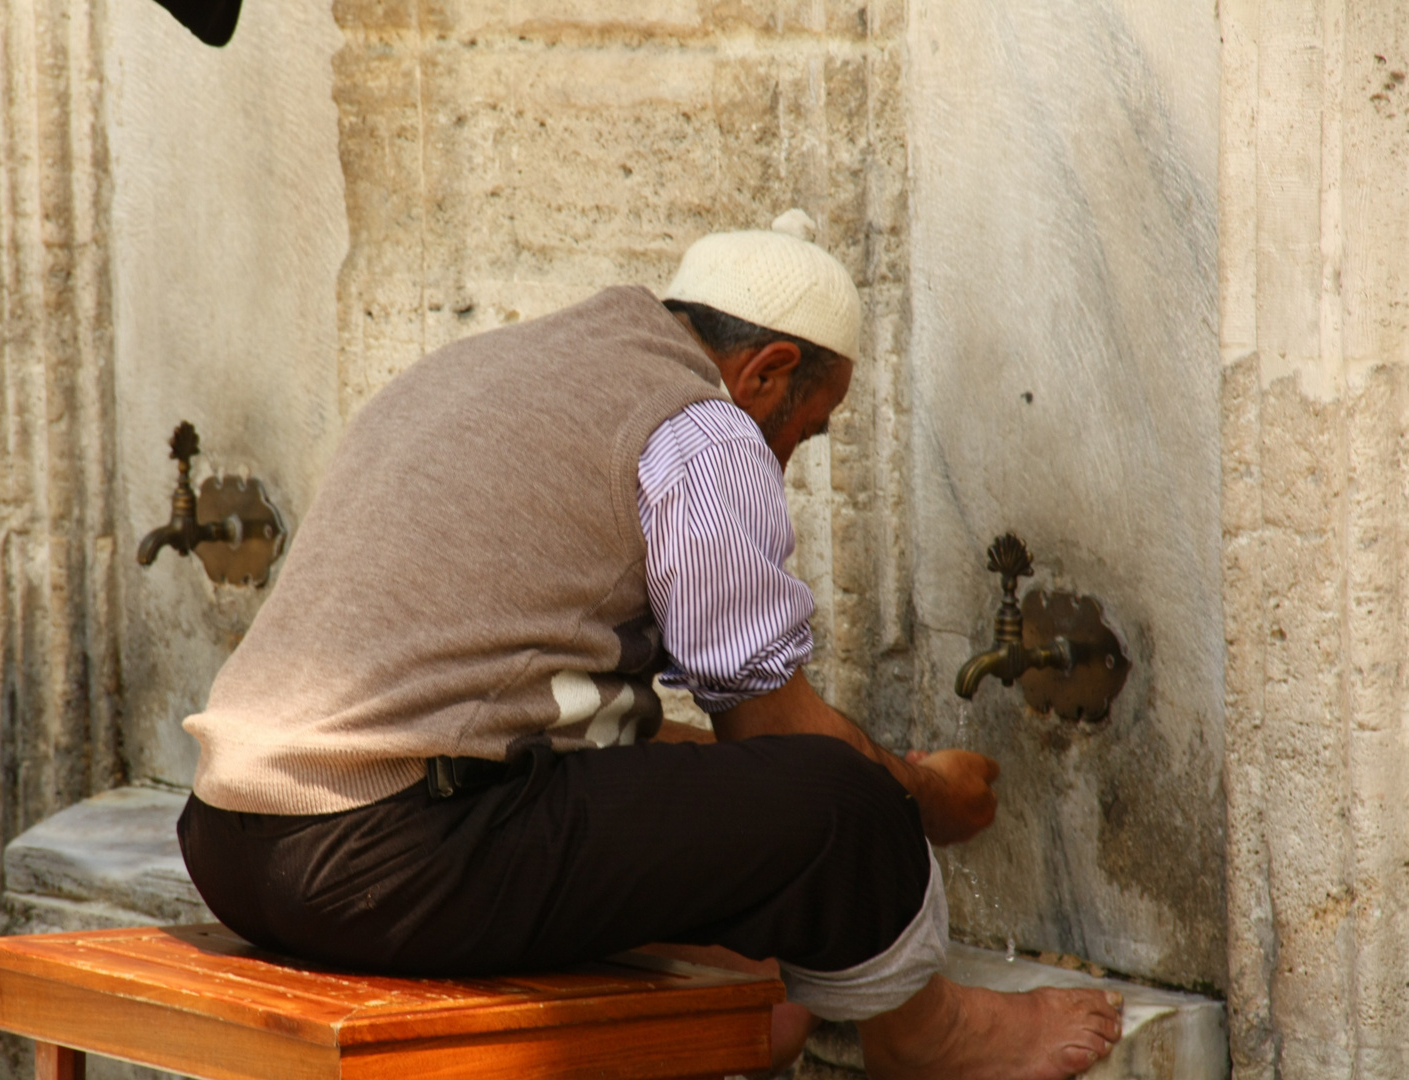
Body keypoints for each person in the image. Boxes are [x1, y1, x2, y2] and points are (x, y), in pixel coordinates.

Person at [176, 211, 1124, 1078]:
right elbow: (769, 730)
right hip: (388, 861)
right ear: (765, 370)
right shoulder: (701, 428)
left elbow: (533, 720)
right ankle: (936, 1038)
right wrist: (920, 797)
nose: (785, 462)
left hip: (231, 848)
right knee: (848, 804)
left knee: (760, 962)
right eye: (806, 426)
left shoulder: (492, 367)